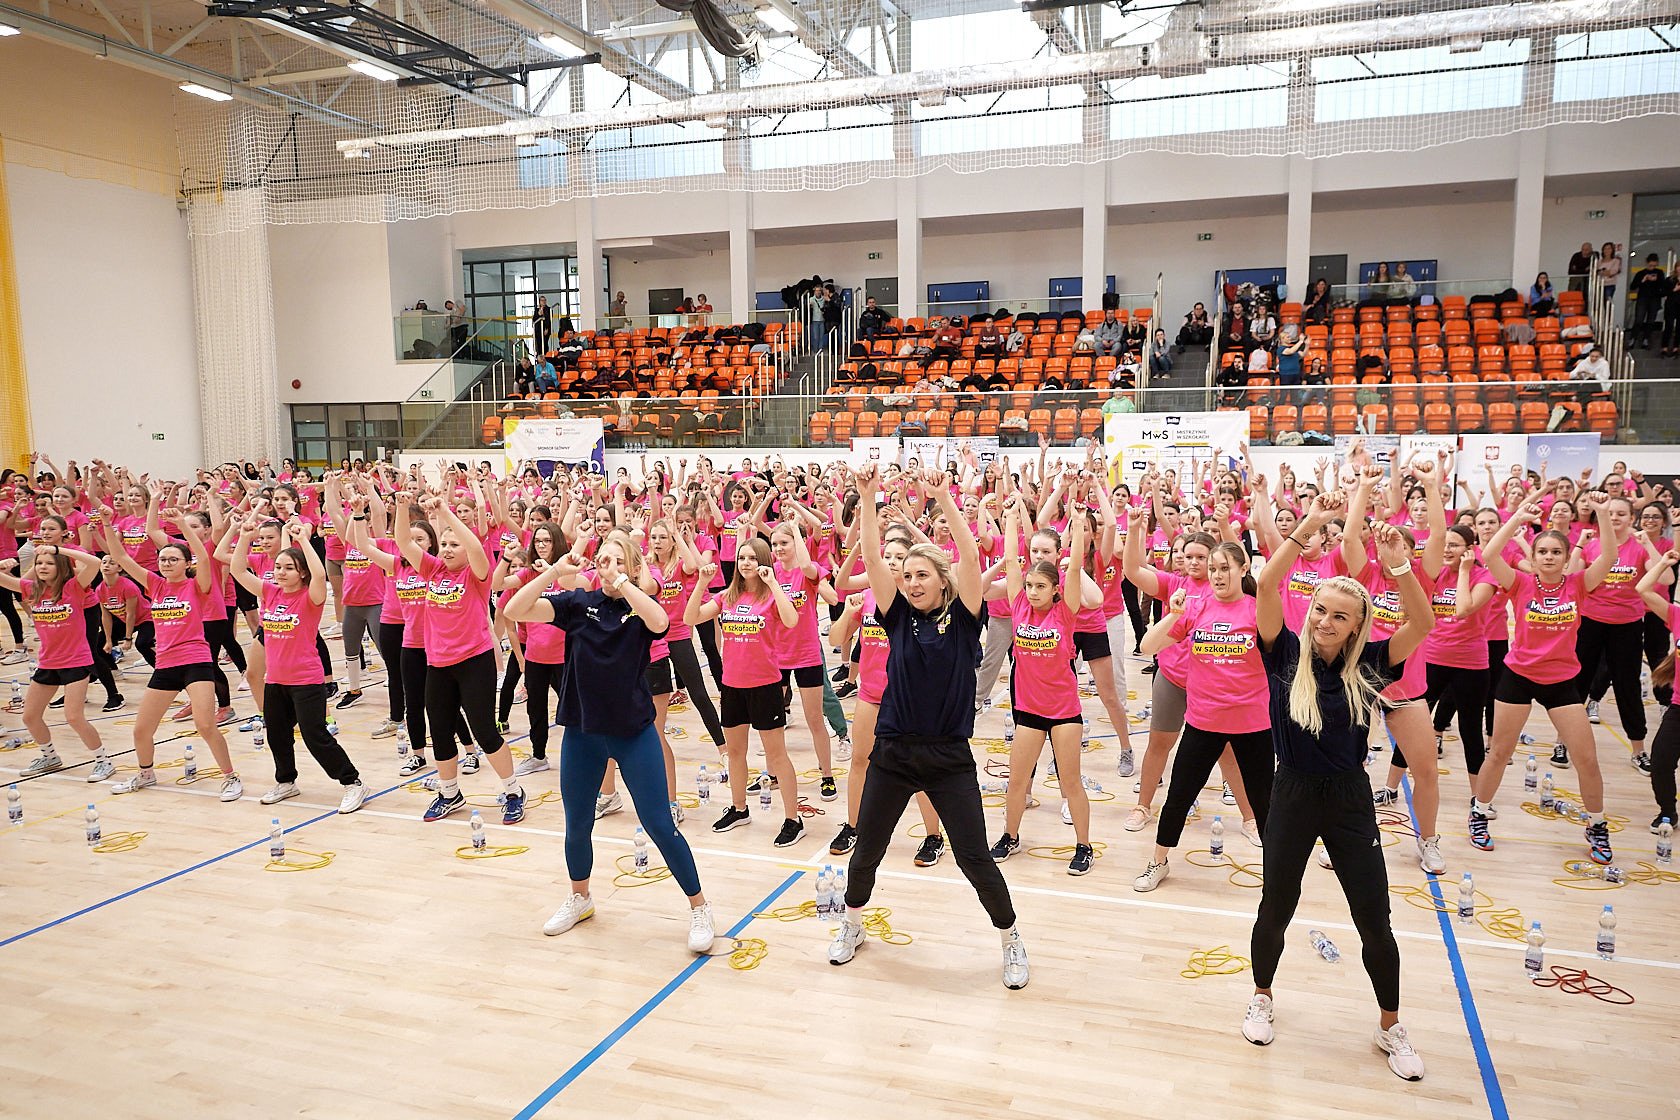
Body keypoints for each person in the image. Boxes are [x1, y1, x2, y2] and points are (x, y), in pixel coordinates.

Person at [1243, 492, 1433, 1081]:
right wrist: (1312, 522)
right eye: (1320, 610)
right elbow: (1267, 584)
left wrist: (1399, 567)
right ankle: (1262, 995)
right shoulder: (1284, 654)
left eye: (1339, 616)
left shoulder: (1371, 661)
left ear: (1356, 626)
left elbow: (1424, 623)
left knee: (1374, 917)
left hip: (1350, 798)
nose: (1324, 621)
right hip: (1293, 794)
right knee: (1276, 906)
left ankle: (1389, 1026)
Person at [829, 464, 1029, 991]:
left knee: (974, 858)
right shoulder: (896, 616)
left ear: (942, 579)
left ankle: (1011, 939)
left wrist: (943, 499)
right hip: (893, 753)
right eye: (908, 576)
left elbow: (970, 557)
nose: (912, 582)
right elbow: (874, 559)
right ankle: (852, 925)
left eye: (922, 575)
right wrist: (867, 498)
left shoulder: (965, 619)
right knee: (867, 850)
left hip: (948, 758)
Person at [502, 526, 717, 954]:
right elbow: (515, 608)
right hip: (583, 731)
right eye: (606, 560)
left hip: (633, 733)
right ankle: (580, 897)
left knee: (659, 824)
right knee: (577, 823)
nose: (610, 567)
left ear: (635, 569)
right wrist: (554, 572)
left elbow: (661, 622)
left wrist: (624, 581)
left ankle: (700, 907)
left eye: (621, 561)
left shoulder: (640, 609)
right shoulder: (577, 603)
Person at [1470, 492, 1619, 864]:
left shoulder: (1579, 584)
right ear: (1533, 558)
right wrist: (1517, 519)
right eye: (1543, 552)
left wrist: (1602, 513)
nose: (1549, 557)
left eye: (1556, 552)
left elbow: (1609, 557)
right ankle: (1479, 813)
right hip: (1518, 675)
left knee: (1587, 758)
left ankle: (1597, 825)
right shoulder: (1520, 584)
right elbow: (1490, 554)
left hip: (1561, 681)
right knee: (1499, 753)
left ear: (1567, 558)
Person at [1133, 541, 1274, 891]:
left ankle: (1277, 873)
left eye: (1225, 568)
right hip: (1203, 722)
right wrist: (1174, 614)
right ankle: (1158, 861)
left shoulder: (1258, 610)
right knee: (1179, 795)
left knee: (1265, 803)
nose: (1217, 575)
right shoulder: (1196, 608)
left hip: (1252, 725)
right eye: (1213, 569)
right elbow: (1148, 647)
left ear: (1243, 569)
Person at [392, 488, 526, 824]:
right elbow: (403, 542)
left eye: (455, 544)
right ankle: (449, 792)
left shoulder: (476, 574)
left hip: (474, 661)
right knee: (439, 731)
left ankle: (513, 791)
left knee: (485, 731)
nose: (448, 549)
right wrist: (401, 506)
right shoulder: (433, 569)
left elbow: (477, 549)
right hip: (438, 664)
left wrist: (445, 512)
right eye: (444, 544)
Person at [100, 507, 244, 801]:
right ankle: (146, 774)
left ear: (186, 563)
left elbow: (203, 555)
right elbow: (122, 557)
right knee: (141, 730)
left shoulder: (197, 585)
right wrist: (105, 523)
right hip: (165, 665)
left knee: (205, 725)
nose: (166, 563)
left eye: (173, 559)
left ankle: (230, 777)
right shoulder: (155, 585)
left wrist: (182, 525)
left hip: (196, 662)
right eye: (163, 559)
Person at [987, 500, 1100, 875]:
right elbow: (1011, 560)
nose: (1033, 591)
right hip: (1029, 712)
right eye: (1030, 586)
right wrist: (1009, 519)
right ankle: (1010, 836)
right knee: (1017, 782)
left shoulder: (1065, 612)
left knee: (1071, 783)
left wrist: (1079, 526)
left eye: (1040, 587)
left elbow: (1076, 567)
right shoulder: (1019, 605)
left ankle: (1084, 845)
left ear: (1055, 590)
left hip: (1064, 713)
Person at [230, 517, 366, 813]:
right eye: (278, 567)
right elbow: (237, 570)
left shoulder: (311, 597)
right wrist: (244, 537)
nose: (280, 572)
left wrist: (303, 539)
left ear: (302, 572)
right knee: (277, 734)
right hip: (275, 680)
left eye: (288, 568)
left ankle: (352, 782)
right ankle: (286, 781)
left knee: (315, 735)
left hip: (306, 680)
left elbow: (320, 575)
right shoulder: (270, 592)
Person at [684, 537, 803, 844]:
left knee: (777, 756)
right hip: (732, 685)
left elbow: (791, 620)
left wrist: (773, 582)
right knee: (735, 752)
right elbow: (690, 618)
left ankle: (793, 819)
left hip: (765, 685)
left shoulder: (771, 596)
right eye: (742, 558)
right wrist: (701, 583)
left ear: (763, 561)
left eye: (752, 558)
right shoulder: (727, 596)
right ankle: (739, 809)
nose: (746, 563)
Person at [0, 541, 110, 779]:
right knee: (30, 716)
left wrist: (57, 550)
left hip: (76, 660)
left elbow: (94, 563)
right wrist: (3, 565)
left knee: (73, 716)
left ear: (61, 566)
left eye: (49, 563)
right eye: (39, 563)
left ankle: (103, 761)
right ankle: (50, 757)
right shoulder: (31, 589)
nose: (42, 566)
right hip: (48, 662)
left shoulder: (74, 587)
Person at [1636, 551, 1680, 831]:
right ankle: (1667, 811)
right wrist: (1663, 563)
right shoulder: (1677, 616)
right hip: (1679, 707)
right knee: (1661, 761)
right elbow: (1643, 589)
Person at [1630, 254, 1667, 349]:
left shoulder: (1659, 273)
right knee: (1639, 319)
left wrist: (1657, 280)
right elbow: (1633, 286)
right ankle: (1633, 338)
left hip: (1654, 299)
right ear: (1647, 263)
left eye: (1654, 265)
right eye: (1651, 265)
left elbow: (1663, 286)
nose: (1652, 268)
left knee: (1651, 321)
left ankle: (1646, 339)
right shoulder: (1641, 273)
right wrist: (1643, 280)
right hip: (1643, 298)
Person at [1596, 243, 1623, 310]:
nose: (1607, 250)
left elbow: (1613, 271)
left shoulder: (1616, 261)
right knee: (1599, 304)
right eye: (1605, 249)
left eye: (1609, 248)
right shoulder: (1599, 262)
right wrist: (1605, 272)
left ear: (1612, 250)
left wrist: (1604, 272)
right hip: (1600, 284)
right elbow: (1596, 272)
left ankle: (1608, 316)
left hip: (1609, 284)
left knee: (1607, 303)